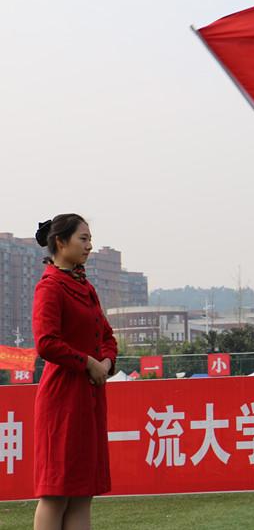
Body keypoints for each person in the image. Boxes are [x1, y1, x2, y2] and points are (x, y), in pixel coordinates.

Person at [32, 215, 117, 529]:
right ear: (60, 242)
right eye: (83, 238)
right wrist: (87, 363)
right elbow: (46, 342)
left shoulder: (85, 286)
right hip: (62, 399)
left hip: (89, 397)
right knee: (56, 493)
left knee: (83, 492)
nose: (89, 245)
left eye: (90, 239)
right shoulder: (50, 286)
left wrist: (105, 363)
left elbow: (106, 337)